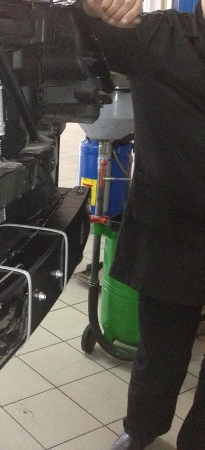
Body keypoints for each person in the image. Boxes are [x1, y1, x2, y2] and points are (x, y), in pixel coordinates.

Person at [77, 0, 205, 449]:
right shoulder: (154, 37)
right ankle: (141, 429)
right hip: (170, 229)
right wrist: (93, 6)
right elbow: (79, 30)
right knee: (160, 351)